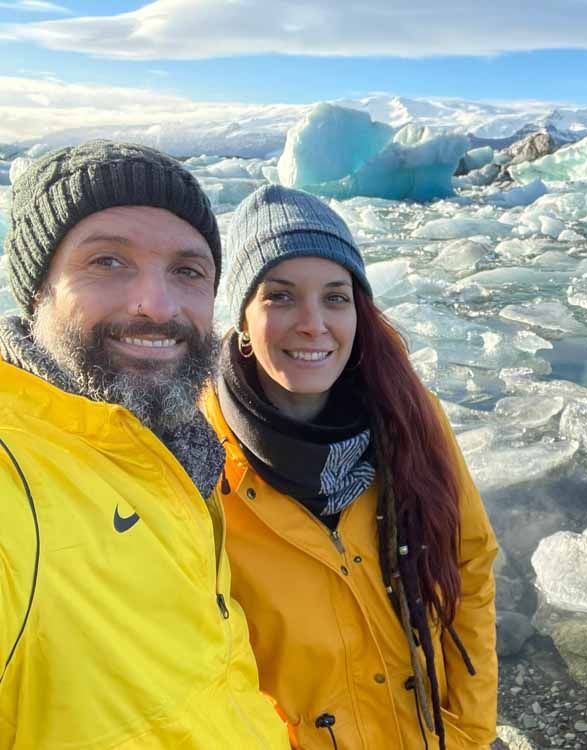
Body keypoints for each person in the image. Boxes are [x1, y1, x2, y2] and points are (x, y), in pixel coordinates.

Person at [0, 141, 291, 749]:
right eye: (107, 262)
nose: (156, 306)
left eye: (188, 271)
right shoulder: (16, 477)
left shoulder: (182, 454)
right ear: (35, 291)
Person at [201, 185, 499, 750]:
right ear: (241, 318)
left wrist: (470, 727)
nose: (314, 323)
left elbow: (471, 564)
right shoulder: (198, 459)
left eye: (335, 297)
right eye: (280, 297)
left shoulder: (410, 418)